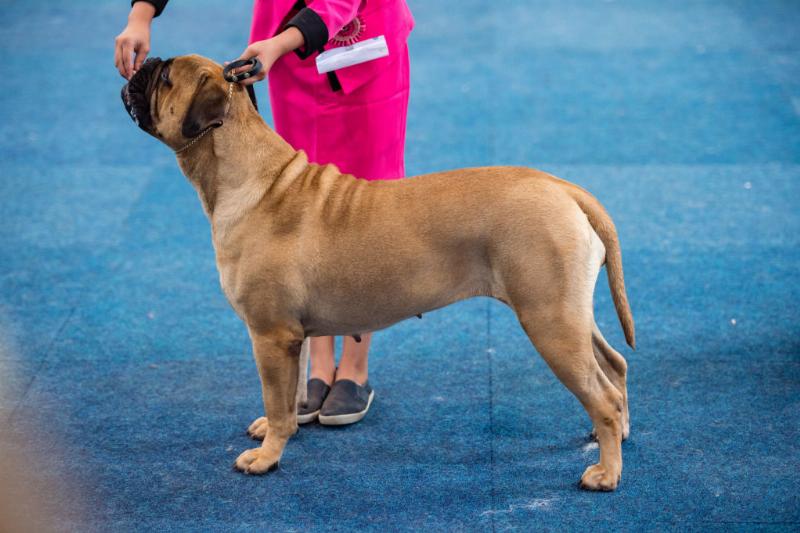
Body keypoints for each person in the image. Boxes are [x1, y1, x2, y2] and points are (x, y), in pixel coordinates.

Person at [115, 0, 414, 425]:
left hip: (359, 47)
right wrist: (141, 15)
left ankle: (355, 365)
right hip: (287, 57)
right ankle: (319, 363)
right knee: (303, 207)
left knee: (365, 205)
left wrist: (279, 43)